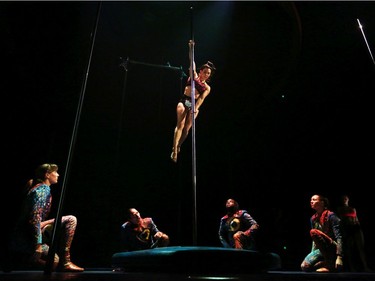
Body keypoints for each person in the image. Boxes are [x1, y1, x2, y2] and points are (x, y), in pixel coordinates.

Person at [10, 163, 84, 272]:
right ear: (47, 175)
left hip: (24, 236)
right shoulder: (42, 189)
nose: (58, 175)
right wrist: (38, 245)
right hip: (27, 236)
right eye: (55, 172)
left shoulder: (37, 188)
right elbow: (34, 219)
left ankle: (24, 259)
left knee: (54, 261)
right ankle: (66, 262)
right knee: (71, 219)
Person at [170, 40, 216, 163]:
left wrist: (195, 108)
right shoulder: (194, 75)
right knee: (180, 124)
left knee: (187, 129)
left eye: (209, 74)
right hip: (185, 100)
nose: (206, 75)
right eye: (205, 72)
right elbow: (192, 62)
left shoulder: (207, 87)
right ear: (201, 71)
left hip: (194, 104)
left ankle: (179, 145)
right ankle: (174, 149)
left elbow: (201, 99)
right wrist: (191, 48)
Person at [301, 194, 343, 273]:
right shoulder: (313, 219)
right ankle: (326, 263)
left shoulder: (331, 216)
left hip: (333, 247)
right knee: (305, 266)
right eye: (311, 200)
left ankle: (330, 265)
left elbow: (339, 237)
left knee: (314, 232)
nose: (311, 201)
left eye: (314, 200)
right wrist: (312, 253)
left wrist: (339, 257)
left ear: (322, 203)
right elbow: (315, 240)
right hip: (321, 249)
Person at [336, 194, 370, 272]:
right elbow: (340, 221)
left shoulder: (352, 209)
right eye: (342, 199)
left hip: (356, 228)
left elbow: (356, 219)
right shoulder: (339, 209)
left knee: (361, 248)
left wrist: (359, 228)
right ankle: (352, 268)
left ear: (348, 199)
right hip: (347, 229)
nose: (344, 200)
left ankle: (365, 267)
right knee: (349, 249)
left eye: (345, 199)